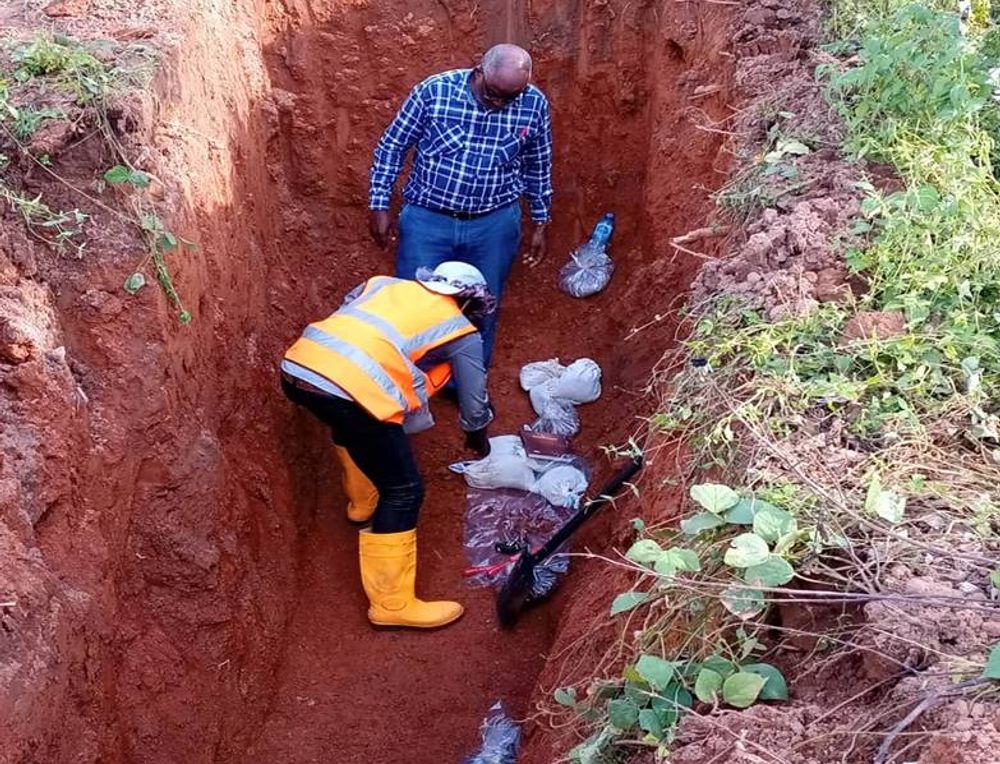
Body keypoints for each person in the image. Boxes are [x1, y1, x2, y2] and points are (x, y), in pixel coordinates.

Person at [280, 262, 496, 629]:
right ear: (468, 301)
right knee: (404, 491)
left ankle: (362, 503)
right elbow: (474, 403)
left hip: (298, 368)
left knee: (349, 424)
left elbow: (354, 327)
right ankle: (392, 605)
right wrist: (476, 435)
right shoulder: (461, 330)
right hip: (348, 391)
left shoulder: (381, 285)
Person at [368, 43, 554, 370]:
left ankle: (464, 383)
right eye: (493, 94)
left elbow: (538, 165)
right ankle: (411, 378)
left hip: (493, 223)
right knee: (414, 302)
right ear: (478, 71)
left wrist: (540, 221)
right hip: (428, 218)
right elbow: (392, 146)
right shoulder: (435, 92)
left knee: (481, 307)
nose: (499, 103)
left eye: (509, 98)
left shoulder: (533, 104)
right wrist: (379, 203)